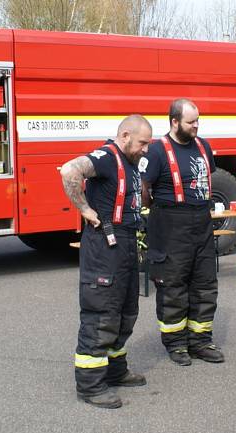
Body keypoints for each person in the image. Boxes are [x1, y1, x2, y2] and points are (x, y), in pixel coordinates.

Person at [60, 114, 152, 409]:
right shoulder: (106, 157)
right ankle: (90, 385)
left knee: (125, 311)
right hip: (104, 245)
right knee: (101, 314)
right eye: (143, 143)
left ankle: (115, 370)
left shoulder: (129, 162)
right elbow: (70, 171)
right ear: (125, 135)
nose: (146, 149)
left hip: (124, 243)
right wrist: (84, 209)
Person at [141, 98, 223, 366]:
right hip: (170, 222)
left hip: (201, 220)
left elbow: (206, 174)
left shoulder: (203, 146)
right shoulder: (156, 151)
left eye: (198, 120)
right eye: (191, 122)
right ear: (174, 122)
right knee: (173, 285)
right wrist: (158, 209)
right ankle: (176, 343)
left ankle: (200, 340)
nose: (196, 126)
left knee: (204, 283)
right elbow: (143, 188)